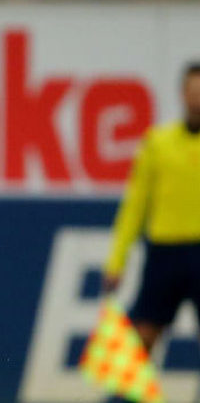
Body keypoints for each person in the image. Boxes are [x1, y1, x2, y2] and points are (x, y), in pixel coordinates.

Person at [103, 62, 200, 373]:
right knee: (143, 335)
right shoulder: (158, 143)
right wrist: (117, 260)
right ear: (182, 94)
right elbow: (135, 205)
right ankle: (127, 393)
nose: (197, 98)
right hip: (165, 253)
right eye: (193, 91)